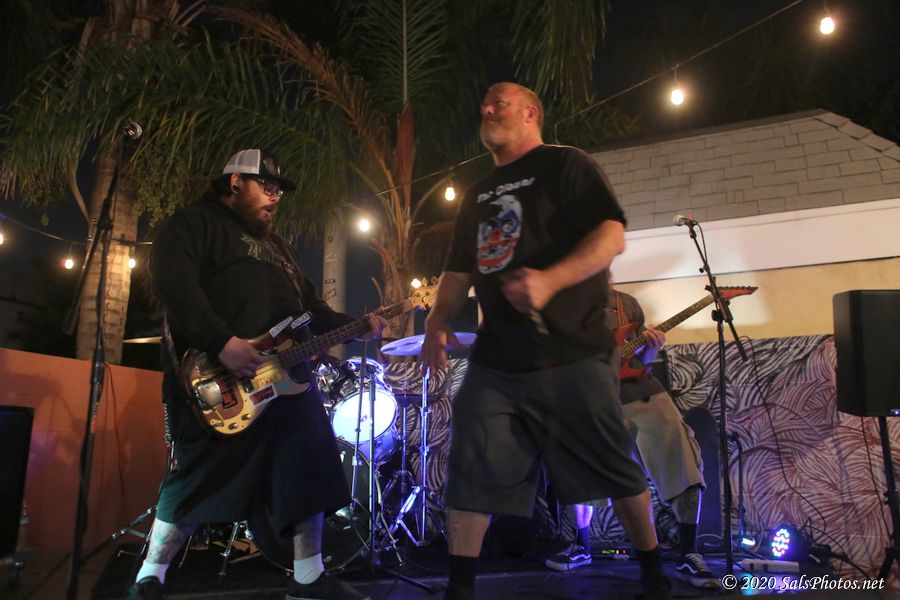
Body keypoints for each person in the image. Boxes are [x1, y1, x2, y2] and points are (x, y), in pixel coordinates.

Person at [419, 83, 672, 600]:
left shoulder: (566, 165)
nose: (487, 109)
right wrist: (438, 320)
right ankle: (460, 589)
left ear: (531, 113)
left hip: (572, 350)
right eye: (484, 104)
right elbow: (458, 271)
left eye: (500, 103)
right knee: (472, 466)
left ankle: (653, 574)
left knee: (612, 464)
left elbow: (611, 236)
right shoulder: (475, 195)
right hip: (496, 360)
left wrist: (550, 281)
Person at [127, 149, 386, 600]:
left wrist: (355, 325)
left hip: (288, 380)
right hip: (215, 378)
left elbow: (310, 309)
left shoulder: (279, 249)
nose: (275, 197)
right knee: (198, 476)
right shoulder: (193, 224)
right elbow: (174, 284)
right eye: (266, 186)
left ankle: (308, 578)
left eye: (279, 190)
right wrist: (221, 342)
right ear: (234, 182)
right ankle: (150, 578)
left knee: (308, 468)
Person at [545, 288, 720, 589]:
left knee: (681, 456)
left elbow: (641, 361)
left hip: (642, 393)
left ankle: (688, 553)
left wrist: (651, 348)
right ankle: (581, 545)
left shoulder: (625, 304)